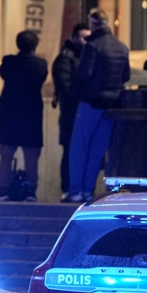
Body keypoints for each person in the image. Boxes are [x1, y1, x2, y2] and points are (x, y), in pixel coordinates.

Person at [68, 9, 130, 203]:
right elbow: (126, 76)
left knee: (79, 148)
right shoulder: (122, 47)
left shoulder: (92, 46)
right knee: (97, 151)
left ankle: (76, 191)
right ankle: (88, 191)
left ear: (93, 23)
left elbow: (84, 74)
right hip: (111, 106)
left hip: (90, 102)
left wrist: (76, 91)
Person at [0, 29, 48, 200]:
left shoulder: (8, 62)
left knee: (6, 153)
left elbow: (3, 73)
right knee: (32, 155)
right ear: (35, 45)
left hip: (10, 112)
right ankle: (31, 190)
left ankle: (2, 189)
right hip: (31, 113)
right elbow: (41, 78)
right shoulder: (40, 64)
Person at [51, 22, 90, 202]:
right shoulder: (65, 59)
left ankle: (80, 188)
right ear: (74, 37)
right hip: (70, 113)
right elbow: (64, 86)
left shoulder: (88, 56)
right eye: (83, 37)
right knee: (69, 151)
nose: (86, 41)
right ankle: (68, 188)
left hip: (82, 112)